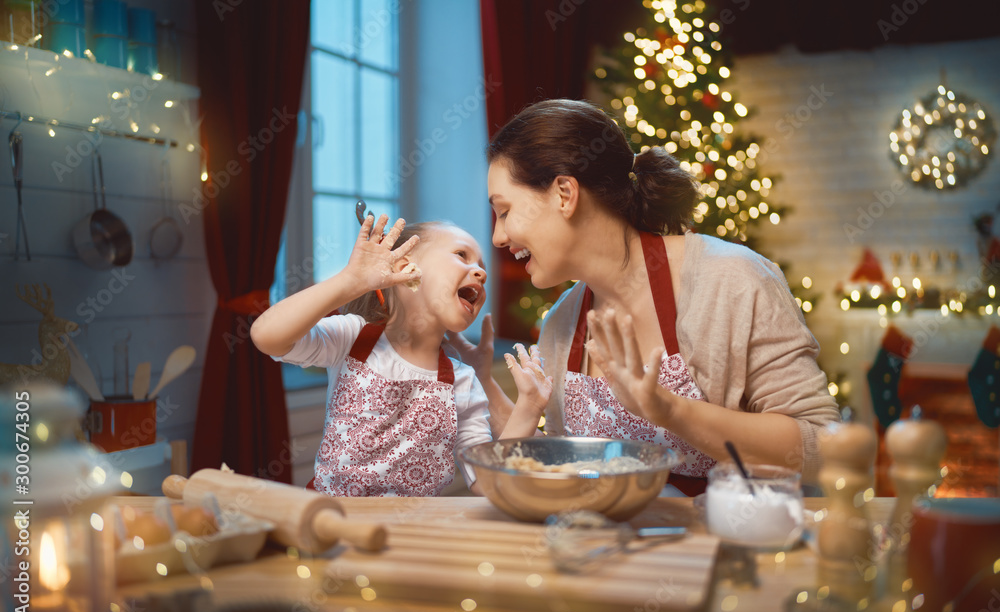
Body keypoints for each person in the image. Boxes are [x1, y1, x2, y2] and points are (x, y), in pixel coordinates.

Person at [475, 98, 838, 496]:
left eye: (505, 211)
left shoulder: (731, 279)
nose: (498, 236)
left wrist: (669, 409)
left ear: (564, 193)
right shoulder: (562, 324)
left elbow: (821, 448)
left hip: (730, 545)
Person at [250, 215, 551, 497]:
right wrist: (350, 282)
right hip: (334, 524)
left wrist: (529, 407)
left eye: (481, 264)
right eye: (462, 255)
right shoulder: (352, 338)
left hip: (412, 537)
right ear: (407, 271)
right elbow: (267, 336)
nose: (481, 272)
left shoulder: (462, 381)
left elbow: (488, 483)